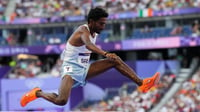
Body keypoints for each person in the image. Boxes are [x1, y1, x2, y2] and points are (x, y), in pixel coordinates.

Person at [20, 7, 160, 107]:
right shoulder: (83, 31)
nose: (103, 26)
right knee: (62, 101)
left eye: (104, 23)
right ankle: (37, 93)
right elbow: (88, 45)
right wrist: (105, 53)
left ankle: (142, 84)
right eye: (101, 23)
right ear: (91, 21)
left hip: (83, 68)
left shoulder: (95, 32)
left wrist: (108, 56)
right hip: (70, 70)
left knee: (115, 60)